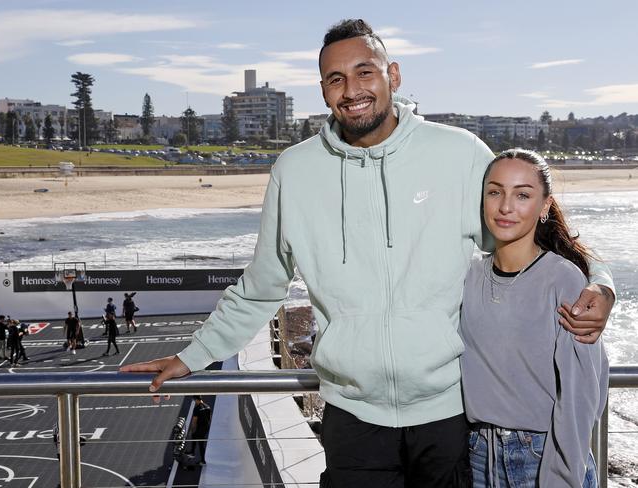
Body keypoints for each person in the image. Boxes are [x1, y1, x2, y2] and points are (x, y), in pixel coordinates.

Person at [122, 19, 615, 487]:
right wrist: (194, 356)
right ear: (322, 90)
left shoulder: (458, 152)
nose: (352, 89)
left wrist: (600, 283)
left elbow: (530, 230)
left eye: (365, 72)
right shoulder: (294, 172)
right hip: (351, 415)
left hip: (447, 412)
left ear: (392, 76)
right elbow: (262, 286)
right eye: (336, 78)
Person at [460, 149, 609, 487]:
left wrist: (561, 475)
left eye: (522, 194)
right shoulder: (467, 275)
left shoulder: (564, 279)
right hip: (477, 457)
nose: (506, 206)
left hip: (543, 456)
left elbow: (581, 392)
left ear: (544, 206)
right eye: (495, 192)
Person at [187, 395, 212, 466]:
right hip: (206, 427)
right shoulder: (208, 406)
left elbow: (194, 421)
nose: (194, 402)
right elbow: (210, 417)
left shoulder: (197, 408)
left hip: (200, 427)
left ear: (196, 400)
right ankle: (192, 452)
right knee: (194, 436)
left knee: (200, 444)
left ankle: (203, 461)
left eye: (194, 400)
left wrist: (192, 430)